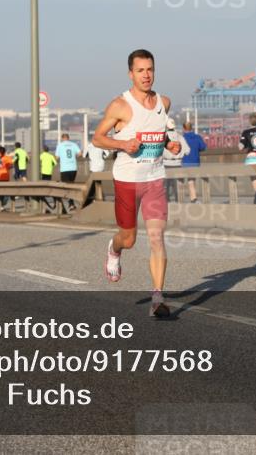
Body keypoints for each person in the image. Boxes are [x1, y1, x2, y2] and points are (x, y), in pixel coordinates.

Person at [92, 48, 182, 318]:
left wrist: (170, 143)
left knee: (157, 238)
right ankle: (114, 248)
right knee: (129, 239)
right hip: (127, 180)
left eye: (150, 69)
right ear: (131, 73)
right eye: (140, 70)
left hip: (155, 178)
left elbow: (160, 134)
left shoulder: (163, 103)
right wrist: (122, 143)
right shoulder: (120, 105)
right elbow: (98, 138)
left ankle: (158, 299)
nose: (146, 75)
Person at [161, 119, 190, 202]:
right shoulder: (180, 137)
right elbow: (188, 151)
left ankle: (167, 206)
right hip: (178, 165)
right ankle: (179, 205)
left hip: (166, 165)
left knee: (165, 189)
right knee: (178, 189)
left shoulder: (163, 137)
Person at [180, 121, 207, 203]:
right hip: (195, 161)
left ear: (184, 129)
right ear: (191, 128)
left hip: (184, 161)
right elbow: (203, 147)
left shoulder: (182, 138)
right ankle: (193, 198)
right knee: (191, 180)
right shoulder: (197, 137)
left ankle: (186, 198)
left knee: (182, 181)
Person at [0, 146, 14, 211]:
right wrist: (6, 167)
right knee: (5, 193)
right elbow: (11, 165)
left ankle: (0, 205)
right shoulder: (8, 158)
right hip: (5, 177)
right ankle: (2, 206)